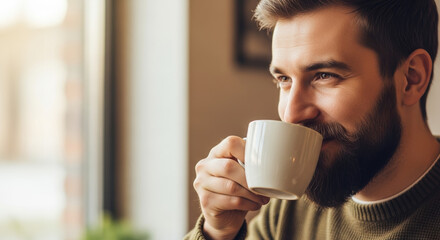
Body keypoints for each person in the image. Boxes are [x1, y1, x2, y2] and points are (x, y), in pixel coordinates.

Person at [185, 0, 440, 239]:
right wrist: (217, 231)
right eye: (283, 79)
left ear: (411, 79)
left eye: (324, 75)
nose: (291, 114)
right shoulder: (289, 213)